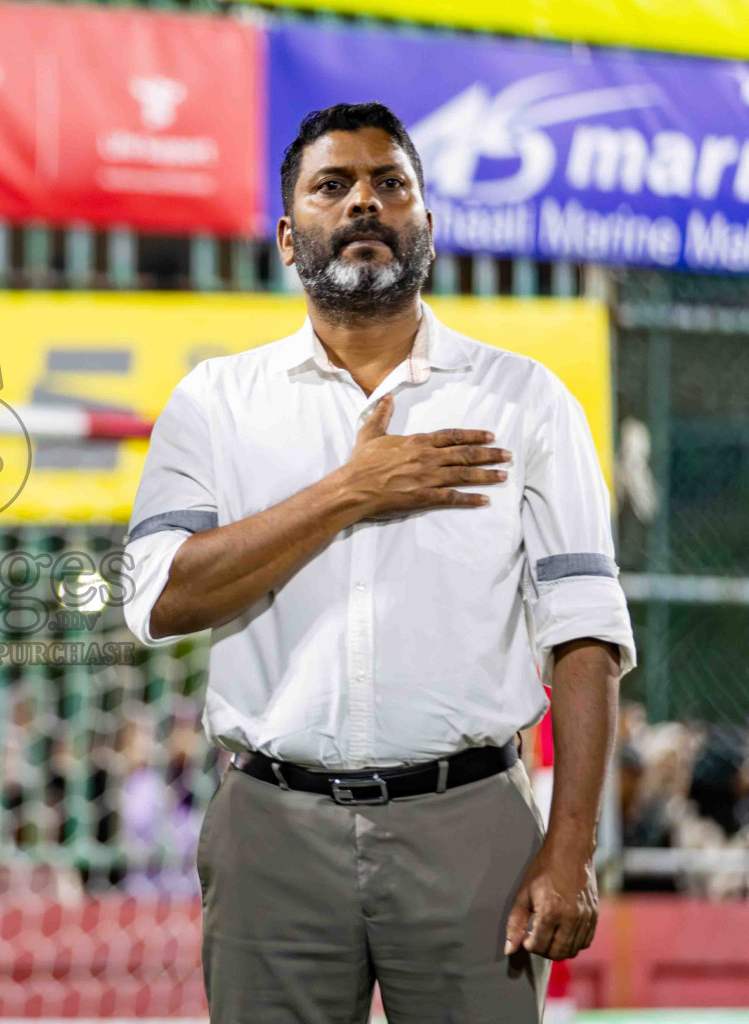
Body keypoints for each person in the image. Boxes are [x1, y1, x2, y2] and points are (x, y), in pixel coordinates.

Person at [119, 103, 634, 1023]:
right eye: (333, 185)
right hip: (271, 828)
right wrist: (348, 490)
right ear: (288, 236)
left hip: (473, 827)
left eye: (390, 184)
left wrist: (571, 848)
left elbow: (586, 638)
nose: (365, 201)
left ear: (426, 226)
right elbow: (158, 599)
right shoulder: (216, 403)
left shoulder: (526, 401)